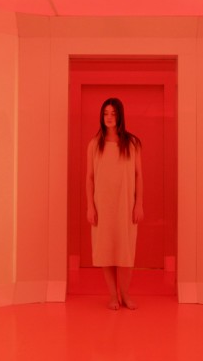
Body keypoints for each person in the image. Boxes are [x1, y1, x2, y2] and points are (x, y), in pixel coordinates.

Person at [86, 97, 144, 310]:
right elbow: (89, 177)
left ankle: (125, 294)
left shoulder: (132, 143)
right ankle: (113, 295)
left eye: (113, 113)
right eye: (105, 113)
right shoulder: (94, 144)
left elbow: (138, 175)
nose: (109, 117)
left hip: (125, 205)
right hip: (103, 206)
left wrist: (139, 204)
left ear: (120, 116)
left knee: (125, 251)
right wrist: (90, 206)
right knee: (106, 251)